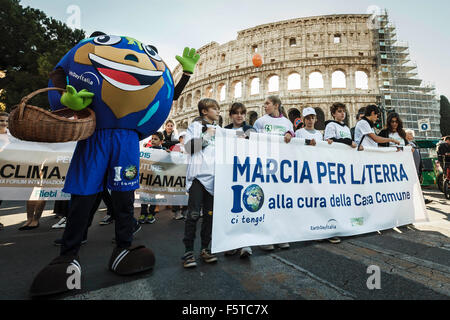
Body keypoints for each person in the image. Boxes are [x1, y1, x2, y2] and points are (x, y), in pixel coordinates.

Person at [181, 98, 220, 268]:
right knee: (193, 215)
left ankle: (205, 248)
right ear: (204, 111)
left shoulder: (221, 130)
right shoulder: (195, 127)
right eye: (215, 108)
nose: (218, 111)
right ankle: (188, 251)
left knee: (210, 217)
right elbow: (189, 148)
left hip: (215, 177)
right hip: (198, 177)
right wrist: (207, 135)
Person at [253, 96, 295, 251]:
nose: (265, 106)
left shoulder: (287, 123)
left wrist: (291, 133)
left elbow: (292, 140)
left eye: (267, 103)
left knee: (280, 202)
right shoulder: (260, 122)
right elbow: (253, 140)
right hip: (265, 165)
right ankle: (265, 237)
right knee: (266, 201)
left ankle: (280, 236)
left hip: (282, 167)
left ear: (276, 105)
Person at [223, 102, 256, 258]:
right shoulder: (225, 130)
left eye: (242, 113)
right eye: (236, 112)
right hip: (229, 172)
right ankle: (232, 243)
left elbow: (256, 146)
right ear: (231, 115)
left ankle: (245, 244)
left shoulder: (251, 129)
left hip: (246, 171)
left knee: (246, 204)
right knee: (231, 208)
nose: (239, 115)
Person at [323, 103, 357, 244]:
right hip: (334, 163)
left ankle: (342, 226)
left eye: (344, 112)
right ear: (333, 114)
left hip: (344, 164)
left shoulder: (346, 128)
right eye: (339, 111)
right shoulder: (331, 126)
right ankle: (331, 228)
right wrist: (349, 141)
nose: (342, 114)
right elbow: (332, 141)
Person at [139, 132, 166, 224]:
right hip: (146, 177)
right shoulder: (147, 150)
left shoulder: (164, 151)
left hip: (155, 178)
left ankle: (151, 213)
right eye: (152, 139)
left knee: (153, 195)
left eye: (155, 139)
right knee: (143, 195)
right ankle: (143, 213)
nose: (153, 141)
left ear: (161, 141)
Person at [405, 129, 432, 204]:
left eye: (412, 133)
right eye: (410, 134)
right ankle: (421, 199)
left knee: (417, 184)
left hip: (417, 168)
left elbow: (419, 156)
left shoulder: (414, 143)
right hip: (410, 168)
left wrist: (421, 166)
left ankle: (420, 198)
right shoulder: (405, 143)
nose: (412, 135)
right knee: (413, 185)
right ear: (406, 135)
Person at [0, 112, 8, 230]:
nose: (4, 123)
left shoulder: (12, 136)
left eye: (7, 121)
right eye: (1, 120)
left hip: (5, 172)